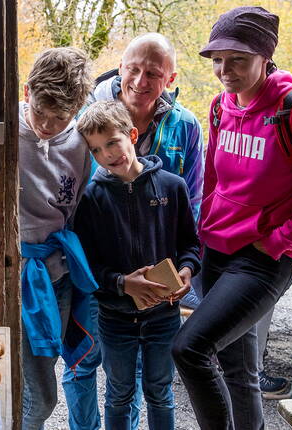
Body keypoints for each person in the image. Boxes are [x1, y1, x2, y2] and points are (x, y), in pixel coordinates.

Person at [171, 6, 292, 430]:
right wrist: (199, 238)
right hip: (217, 248)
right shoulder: (220, 107)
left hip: (263, 258)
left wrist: (278, 241)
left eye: (237, 59)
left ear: (265, 57)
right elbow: (213, 179)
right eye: (217, 59)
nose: (224, 69)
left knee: (190, 349)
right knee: (238, 370)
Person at [63, 32, 204, 430]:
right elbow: (84, 245)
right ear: (121, 67)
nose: (141, 80)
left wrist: (185, 272)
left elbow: (190, 213)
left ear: (170, 78)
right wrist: (121, 283)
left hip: (162, 307)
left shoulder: (185, 131)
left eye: (154, 74)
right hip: (109, 298)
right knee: (91, 367)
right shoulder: (86, 121)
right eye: (134, 69)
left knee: (157, 386)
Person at [18, 47, 100, 430]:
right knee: (39, 397)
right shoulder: (1, 131)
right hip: (14, 273)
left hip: (57, 275)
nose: (47, 126)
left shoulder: (82, 145)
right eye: (40, 113)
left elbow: (79, 204)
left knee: (44, 366)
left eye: (60, 118)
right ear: (26, 90)